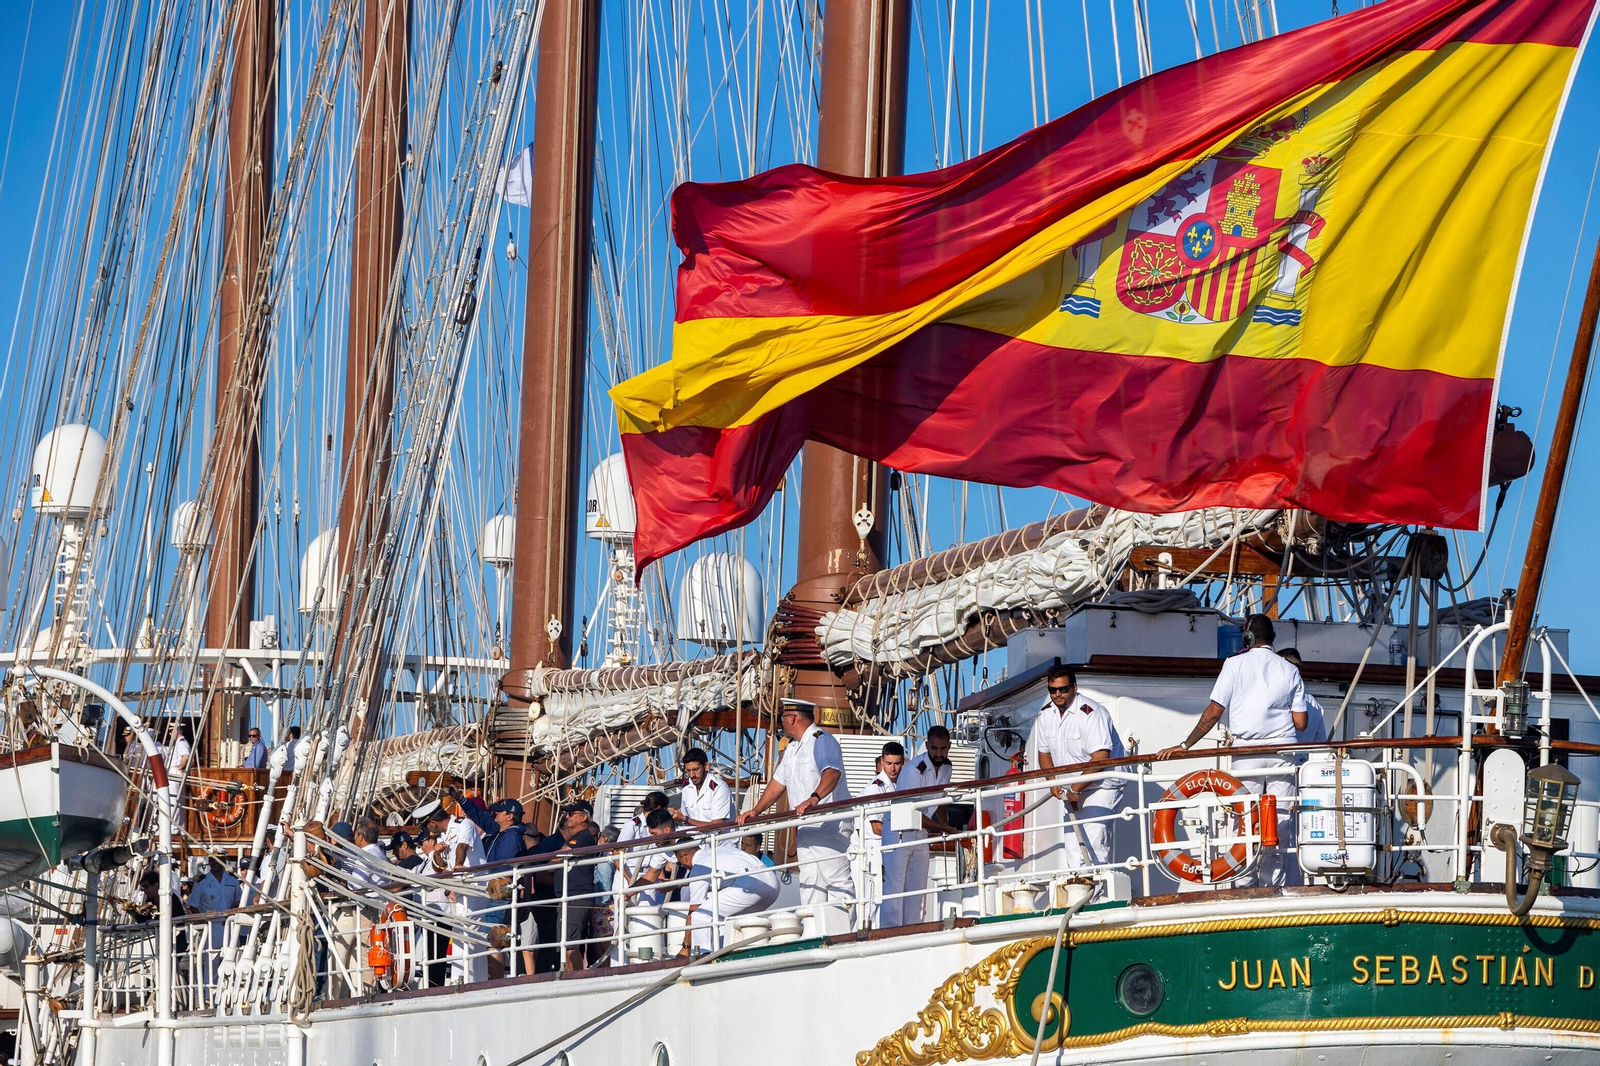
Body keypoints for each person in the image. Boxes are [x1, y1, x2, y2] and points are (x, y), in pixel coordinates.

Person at [1157, 613, 1307, 886]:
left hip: (1246, 754)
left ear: (1247, 637)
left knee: (1247, 823)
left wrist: (1184, 745)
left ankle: (1245, 885)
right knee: (1281, 821)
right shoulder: (1290, 670)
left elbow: (1214, 712)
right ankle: (1274, 886)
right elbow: (1301, 722)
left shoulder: (1234, 664)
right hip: (1283, 752)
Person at [739, 699, 854, 906]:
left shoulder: (822, 740)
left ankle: (845, 931)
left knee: (836, 880)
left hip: (828, 823)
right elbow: (777, 784)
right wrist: (756, 810)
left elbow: (832, 773)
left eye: (782, 717)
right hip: (805, 825)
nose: (781, 722)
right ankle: (814, 928)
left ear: (793, 718)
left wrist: (814, 797)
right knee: (810, 882)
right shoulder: (792, 749)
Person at [1033, 665, 1127, 873]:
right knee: (1074, 849)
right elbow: (1044, 753)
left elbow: (1101, 758)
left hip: (1102, 785)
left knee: (1094, 843)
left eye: (1063, 689)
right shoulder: (1046, 714)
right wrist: (1052, 781)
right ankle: (1079, 895)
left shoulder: (1091, 713)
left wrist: (1075, 790)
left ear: (1074, 687)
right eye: (1052, 690)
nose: (1057, 694)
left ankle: (1097, 898)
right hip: (1072, 788)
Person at [882, 727, 954, 928]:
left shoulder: (947, 768)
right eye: (934, 748)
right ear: (927, 746)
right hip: (899, 832)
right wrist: (945, 829)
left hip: (921, 833)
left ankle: (913, 931)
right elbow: (912, 813)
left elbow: (941, 798)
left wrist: (944, 825)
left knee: (917, 890)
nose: (938, 753)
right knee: (894, 891)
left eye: (943, 748)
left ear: (948, 747)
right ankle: (889, 934)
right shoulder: (915, 769)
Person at [674, 837, 780, 957]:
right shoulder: (720, 850)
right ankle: (731, 953)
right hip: (772, 882)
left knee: (700, 915)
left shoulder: (699, 867)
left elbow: (693, 910)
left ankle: (703, 957)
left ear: (684, 857)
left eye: (680, 862)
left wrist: (685, 947)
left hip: (750, 885)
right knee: (727, 917)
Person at [854, 742, 905, 927]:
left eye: (897, 763)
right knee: (870, 898)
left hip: (887, 846)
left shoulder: (899, 784)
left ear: (903, 762)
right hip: (871, 847)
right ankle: (868, 934)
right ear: (882, 761)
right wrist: (904, 836)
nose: (893, 768)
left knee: (885, 895)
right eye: (889, 763)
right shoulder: (876, 787)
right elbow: (876, 826)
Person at [186, 856, 242, 982]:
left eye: (219, 860)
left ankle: (231, 993)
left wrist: (236, 905)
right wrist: (202, 924)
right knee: (211, 962)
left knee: (233, 959)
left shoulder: (233, 881)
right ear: (209, 862)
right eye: (213, 860)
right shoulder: (202, 882)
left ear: (225, 861)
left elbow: (239, 899)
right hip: (211, 927)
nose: (216, 863)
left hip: (230, 925)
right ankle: (209, 995)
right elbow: (192, 905)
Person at [672, 748, 735, 829]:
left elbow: (717, 826)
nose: (692, 775)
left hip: (720, 839)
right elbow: (686, 820)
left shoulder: (719, 788)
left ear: (706, 766)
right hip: (697, 838)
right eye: (688, 770)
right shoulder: (686, 787)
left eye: (695, 769)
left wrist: (685, 819)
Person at [1278, 649, 1329, 747]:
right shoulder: (1315, 705)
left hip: (1279, 758)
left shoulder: (1278, 698)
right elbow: (1320, 743)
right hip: (1304, 761)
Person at [168, 722, 194, 815]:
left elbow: (186, 756)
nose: (169, 734)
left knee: (173, 802)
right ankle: (177, 828)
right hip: (175, 772)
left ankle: (174, 828)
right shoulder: (179, 743)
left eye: (171, 731)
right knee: (177, 802)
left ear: (178, 731)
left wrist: (179, 767)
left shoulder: (181, 742)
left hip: (175, 772)